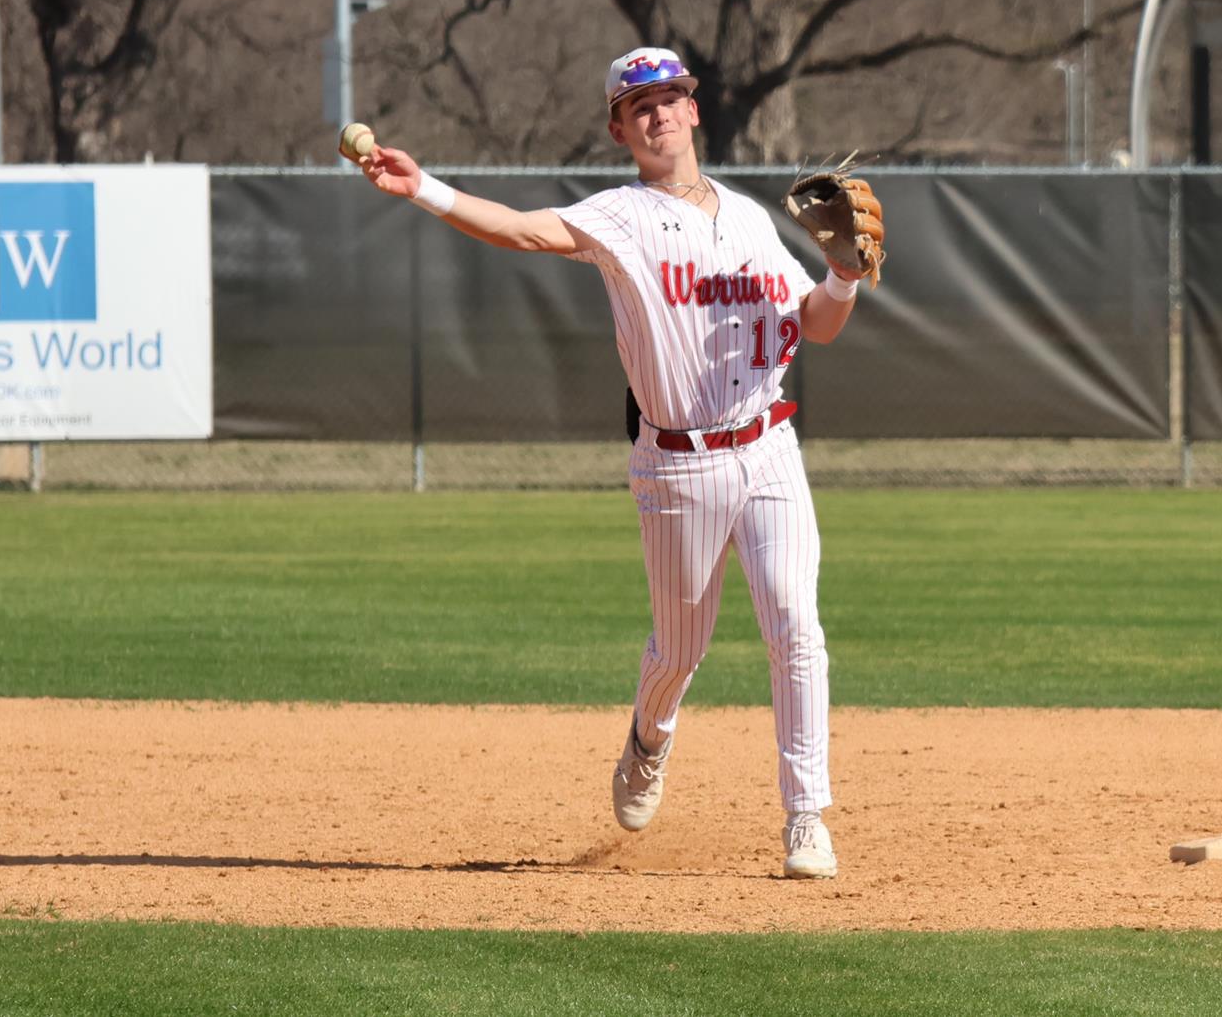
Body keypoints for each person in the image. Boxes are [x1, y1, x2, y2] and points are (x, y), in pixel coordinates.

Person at [348, 47, 872, 879]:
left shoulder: (746, 218)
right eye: (640, 106)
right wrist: (426, 190)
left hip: (769, 445)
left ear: (694, 110)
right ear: (619, 128)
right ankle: (649, 736)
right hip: (678, 467)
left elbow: (813, 324)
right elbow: (522, 230)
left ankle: (806, 817)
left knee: (796, 631)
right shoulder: (620, 215)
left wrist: (842, 277)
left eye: (669, 98)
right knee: (678, 651)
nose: (658, 114)